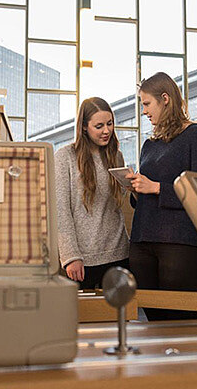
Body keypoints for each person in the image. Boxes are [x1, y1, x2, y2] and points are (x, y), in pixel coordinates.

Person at [125, 72, 197, 320]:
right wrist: (136, 189)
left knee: (179, 322)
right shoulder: (149, 144)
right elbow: (145, 196)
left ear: (165, 98)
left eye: (146, 104)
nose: (144, 111)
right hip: (143, 241)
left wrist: (156, 188)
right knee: (153, 323)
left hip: (180, 244)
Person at [55, 97, 130, 289]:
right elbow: (60, 210)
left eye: (110, 124)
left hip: (119, 253)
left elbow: (116, 204)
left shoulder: (116, 156)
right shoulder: (65, 157)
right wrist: (70, 256)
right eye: (99, 126)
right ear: (84, 127)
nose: (106, 131)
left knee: (120, 317)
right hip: (82, 259)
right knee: (84, 317)